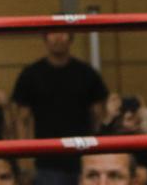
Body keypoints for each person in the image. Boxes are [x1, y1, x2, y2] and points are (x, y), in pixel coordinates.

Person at [13, 32, 109, 184]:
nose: (58, 38)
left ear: (71, 37)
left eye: (63, 33)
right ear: (45, 38)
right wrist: (25, 160)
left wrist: (96, 153)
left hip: (83, 158)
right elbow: (21, 120)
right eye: (52, 33)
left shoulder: (87, 73)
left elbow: (98, 116)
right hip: (46, 162)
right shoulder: (31, 74)